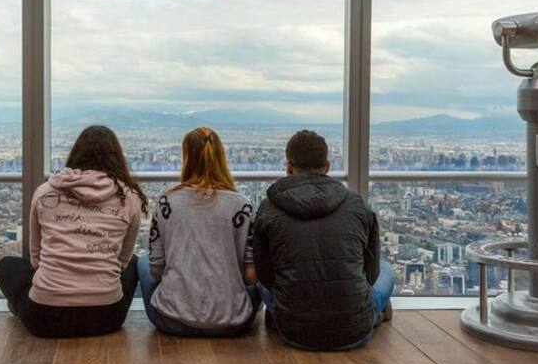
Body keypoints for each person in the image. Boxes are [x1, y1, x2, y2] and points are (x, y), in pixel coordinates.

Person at [0, 125, 146, 338]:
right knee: (134, 263)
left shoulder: (46, 191)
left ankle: (21, 306)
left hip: (45, 317)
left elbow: (36, 258)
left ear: (76, 153)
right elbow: (123, 260)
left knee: (6, 265)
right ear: (117, 158)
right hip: (107, 317)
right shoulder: (127, 197)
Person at [253, 130, 394, 351]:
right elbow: (371, 272)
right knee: (386, 269)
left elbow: (264, 274)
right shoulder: (357, 204)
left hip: (293, 330)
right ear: (327, 167)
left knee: (261, 282)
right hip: (354, 330)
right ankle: (374, 312)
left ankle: (278, 313)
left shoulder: (268, 209)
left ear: (288, 166)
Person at [138, 126, 261, 337]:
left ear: (186, 158)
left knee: (142, 261)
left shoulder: (168, 202)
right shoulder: (242, 205)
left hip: (171, 318)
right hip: (232, 321)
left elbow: (156, 270)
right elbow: (250, 276)